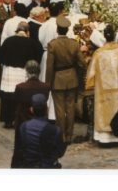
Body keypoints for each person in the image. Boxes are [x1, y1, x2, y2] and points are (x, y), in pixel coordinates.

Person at [86, 23, 118, 144]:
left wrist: (90, 84)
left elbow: (91, 73)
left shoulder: (98, 53)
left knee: (104, 111)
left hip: (103, 89)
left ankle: (104, 138)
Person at [45, 15, 87, 144]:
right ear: (67, 30)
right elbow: (82, 64)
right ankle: (69, 135)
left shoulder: (53, 45)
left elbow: (50, 67)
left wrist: (48, 83)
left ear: (57, 30)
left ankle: (61, 135)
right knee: (70, 108)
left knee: (59, 109)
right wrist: (78, 76)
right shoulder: (74, 44)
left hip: (58, 79)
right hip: (72, 78)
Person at [0, 21, 43, 129]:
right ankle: (21, 119)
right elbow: (37, 57)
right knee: (21, 96)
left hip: (9, 71)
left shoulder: (8, 41)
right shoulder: (31, 43)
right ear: (27, 31)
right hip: (23, 71)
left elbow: (1, 56)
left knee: (8, 97)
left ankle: (8, 120)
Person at [11, 60, 51, 168]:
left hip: (23, 120)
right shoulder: (46, 87)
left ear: (27, 72)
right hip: (40, 119)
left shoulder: (20, 87)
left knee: (20, 147)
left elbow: (16, 102)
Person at [18, 94, 66, 169]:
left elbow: (21, 148)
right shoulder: (55, 130)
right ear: (46, 109)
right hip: (48, 167)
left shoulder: (23, 127)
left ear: (32, 109)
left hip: (29, 167)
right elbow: (60, 152)